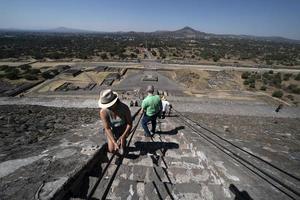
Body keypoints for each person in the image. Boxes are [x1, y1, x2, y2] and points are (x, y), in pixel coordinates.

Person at [99, 89, 132, 155]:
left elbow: (129, 123)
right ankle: (117, 141)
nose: (108, 107)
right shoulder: (103, 112)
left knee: (122, 148)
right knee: (111, 150)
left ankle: (123, 141)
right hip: (112, 129)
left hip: (123, 128)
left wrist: (123, 136)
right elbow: (107, 128)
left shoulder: (124, 108)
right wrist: (114, 142)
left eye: (109, 105)